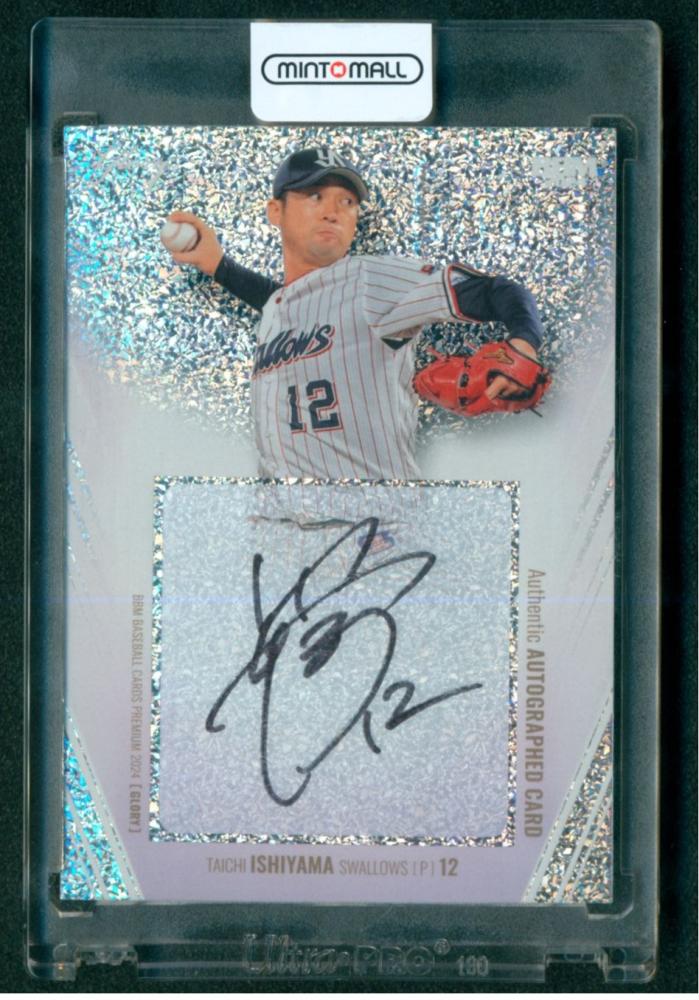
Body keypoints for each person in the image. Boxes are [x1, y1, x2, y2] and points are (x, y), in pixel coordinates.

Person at [165, 146, 544, 480]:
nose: (333, 212)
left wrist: (524, 341)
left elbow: (496, 291)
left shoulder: (372, 279)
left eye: (347, 202)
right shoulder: (281, 307)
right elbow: (283, 300)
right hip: (284, 525)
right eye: (315, 196)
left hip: (375, 523)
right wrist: (218, 266)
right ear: (275, 211)